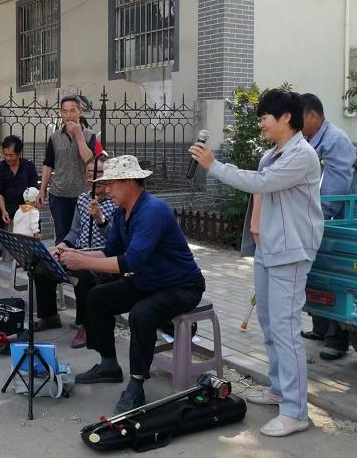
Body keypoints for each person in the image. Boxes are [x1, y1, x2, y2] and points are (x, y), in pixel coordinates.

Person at [190, 88, 323, 437]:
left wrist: (214, 165)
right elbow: (259, 188)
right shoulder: (272, 154)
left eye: (266, 115)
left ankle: (295, 411)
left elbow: (261, 183)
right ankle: (280, 389)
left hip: (291, 252)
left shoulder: (302, 155)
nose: (261, 121)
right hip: (269, 250)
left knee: (285, 329)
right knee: (268, 321)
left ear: (286, 118)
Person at [58, 155, 205, 416]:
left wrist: (80, 259)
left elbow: (131, 260)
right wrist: (69, 255)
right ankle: (108, 364)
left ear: (128, 182)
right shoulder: (122, 213)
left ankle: (137, 382)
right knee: (97, 297)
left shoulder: (153, 211)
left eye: (111, 184)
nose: (106, 190)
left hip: (181, 286)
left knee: (141, 314)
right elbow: (109, 252)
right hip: (148, 281)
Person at [300, 93, 357, 361]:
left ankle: (337, 340)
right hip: (324, 218)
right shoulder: (309, 140)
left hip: (344, 217)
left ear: (313, 115)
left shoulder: (335, 140)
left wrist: (317, 217)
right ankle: (321, 328)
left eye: (298, 119)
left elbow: (336, 185)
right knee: (320, 272)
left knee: (339, 275)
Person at [34, 159, 118, 345]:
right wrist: (62, 245)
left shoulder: (116, 203)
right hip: (78, 251)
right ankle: (49, 316)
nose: (92, 178)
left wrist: (100, 218)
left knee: (83, 275)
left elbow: (116, 240)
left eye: (97, 173)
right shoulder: (82, 198)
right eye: (89, 173)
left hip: (101, 257)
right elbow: (74, 232)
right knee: (42, 267)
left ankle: (86, 324)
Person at [37, 95, 99, 246]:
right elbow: (48, 164)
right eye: (65, 111)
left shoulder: (90, 136)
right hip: (59, 193)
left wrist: (78, 134)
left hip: (82, 194)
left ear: (80, 112)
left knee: (81, 234)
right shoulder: (54, 138)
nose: (68, 115)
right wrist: (42, 189)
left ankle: (78, 266)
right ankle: (62, 268)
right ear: (60, 112)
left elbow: (89, 160)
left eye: (72, 111)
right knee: (62, 235)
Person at [0, 135, 38, 268]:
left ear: (19, 154)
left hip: (24, 204)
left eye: (11, 155)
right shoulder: (0, 167)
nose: (7, 158)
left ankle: (30, 256)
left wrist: (30, 206)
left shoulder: (29, 166)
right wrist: (4, 210)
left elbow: (34, 189)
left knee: (33, 220)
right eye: (5, 154)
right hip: (5, 202)